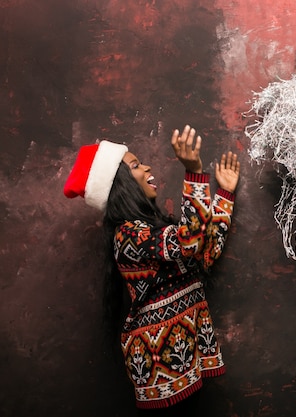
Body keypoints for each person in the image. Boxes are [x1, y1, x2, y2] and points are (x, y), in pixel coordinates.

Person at [64, 125, 240, 410]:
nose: (146, 168)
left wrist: (226, 195)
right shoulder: (129, 236)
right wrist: (194, 172)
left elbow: (205, 255)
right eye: (135, 165)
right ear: (120, 184)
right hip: (160, 361)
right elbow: (190, 243)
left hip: (185, 350)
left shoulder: (152, 228)